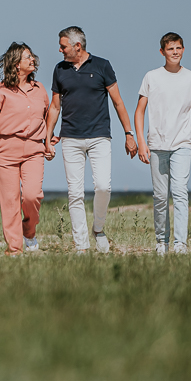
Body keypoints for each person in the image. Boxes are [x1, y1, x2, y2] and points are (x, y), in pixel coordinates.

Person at [45, 26, 137, 254]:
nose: (60, 49)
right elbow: (55, 106)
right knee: (75, 193)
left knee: (103, 186)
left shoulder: (102, 65)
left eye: (63, 46)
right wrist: (47, 138)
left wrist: (129, 134)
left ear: (78, 46)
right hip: (70, 138)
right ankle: (81, 245)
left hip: (99, 137)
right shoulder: (59, 69)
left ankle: (98, 228)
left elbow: (118, 102)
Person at [134, 32, 191, 256]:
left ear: (183, 49)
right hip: (156, 144)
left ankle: (180, 243)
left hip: (183, 144)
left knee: (181, 192)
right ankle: (161, 242)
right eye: (170, 48)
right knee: (160, 196)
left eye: (178, 48)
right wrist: (141, 143)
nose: (175, 52)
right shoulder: (151, 77)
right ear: (162, 52)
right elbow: (139, 111)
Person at [0, 43, 52, 256]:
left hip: (34, 149)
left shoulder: (39, 89)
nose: (33, 60)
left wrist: (49, 143)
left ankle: (28, 230)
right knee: (10, 201)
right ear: (15, 64)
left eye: (32, 57)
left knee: (32, 195)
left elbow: (48, 117)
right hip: (5, 150)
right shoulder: (0, 91)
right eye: (28, 57)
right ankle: (14, 248)